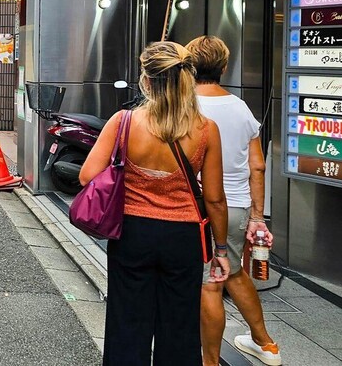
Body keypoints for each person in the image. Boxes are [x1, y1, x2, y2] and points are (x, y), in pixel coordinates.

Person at [79, 41, 230, 366]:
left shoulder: (123, 122)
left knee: (126, 323)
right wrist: (221, 250)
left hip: (132, 233)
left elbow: (87, 176)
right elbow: (215, 199)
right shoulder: (206, 130)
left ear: (146, 80)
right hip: (183, 238)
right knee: (179, 328)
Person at [186, 36, 282, 366]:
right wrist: (257, 216)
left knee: (210, 283)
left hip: (198, 207)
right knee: (234, 274)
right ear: (224, 67)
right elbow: (258, 164)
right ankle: (264, 343)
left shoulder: (185, 105)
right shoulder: (241, 108)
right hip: (239, 206)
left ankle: (209, 361)